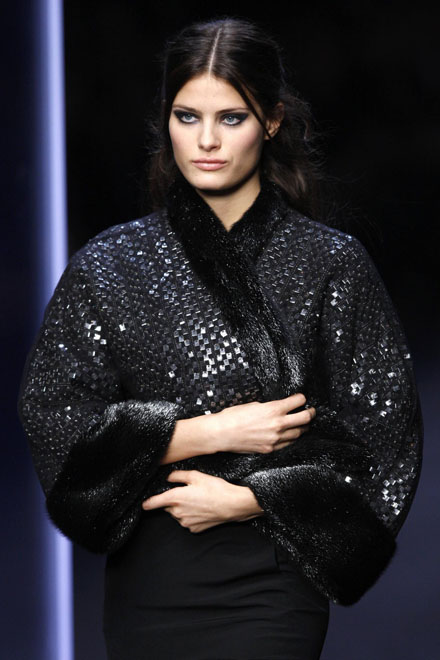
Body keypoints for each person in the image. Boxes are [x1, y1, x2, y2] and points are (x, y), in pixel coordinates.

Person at [17, 16, 423, 660]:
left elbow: (385, 440)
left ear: (273, 122)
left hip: (274, 581)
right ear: (165, 121)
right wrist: (210, 433)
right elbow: (56, 425)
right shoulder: (110, 265)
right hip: (149, 582)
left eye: (231, 118)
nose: (206, 140)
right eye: (187, 117)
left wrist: (252, 499)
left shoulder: (329, 264)